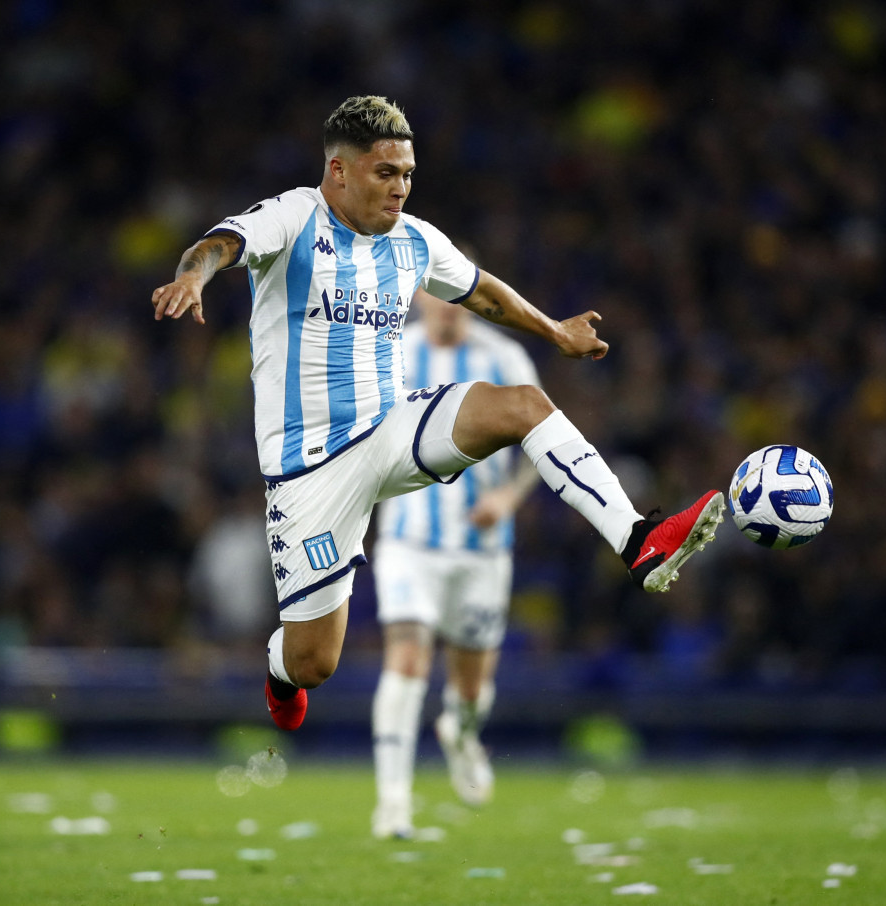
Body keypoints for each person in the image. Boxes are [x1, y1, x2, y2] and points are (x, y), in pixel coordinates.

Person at [150, 95, 724, 736]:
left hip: (391, 429)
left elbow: (480, 290)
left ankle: (638, 540)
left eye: (407, 174)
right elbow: (221, 243)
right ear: (339, 172)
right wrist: (194, 277)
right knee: (315, 661)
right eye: (385, 173)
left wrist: (554, 332)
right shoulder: (293, 216)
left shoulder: (415, 240)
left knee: (523, 406)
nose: (400, 188)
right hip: (309, 470)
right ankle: (279, 673)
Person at [370, 288, 542, 839]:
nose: (447, 306)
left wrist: (508, 500)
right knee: (406, 661)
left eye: (456, 297)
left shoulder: (504, 360)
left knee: (470, 690)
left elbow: (543, 443)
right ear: (417, 298)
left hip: (481, 550)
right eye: (436, 296)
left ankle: (461, 735)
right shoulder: (391, 354)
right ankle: (392, 804)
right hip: (406, 540)